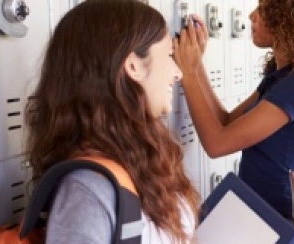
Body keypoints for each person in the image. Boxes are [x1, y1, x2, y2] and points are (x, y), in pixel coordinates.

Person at [25, 0, 199, 242]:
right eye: (169, 55)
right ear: (133, 66)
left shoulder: (141, 158)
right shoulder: (86, 191)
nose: (178, 72)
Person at [173, 0, 294, 221]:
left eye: (263, 8)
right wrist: (196, 64)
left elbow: (216, 144)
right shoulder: (282, 79)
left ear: (291, 17)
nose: (251, 15)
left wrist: (189, 74)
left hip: (276, 221)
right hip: (259, 213)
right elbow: (227, 122)